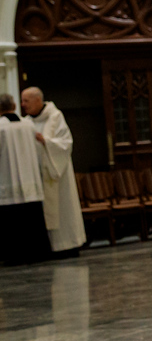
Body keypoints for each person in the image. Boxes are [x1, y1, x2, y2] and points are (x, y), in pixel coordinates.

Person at [21, 87, 86, 257]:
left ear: (38, 100)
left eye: (26, 101)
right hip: (38, 176)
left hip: (57, 174)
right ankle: (47, 247)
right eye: (22, 101)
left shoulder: (55, 117)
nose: (23, 105)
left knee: (61, 209)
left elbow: (66, 143)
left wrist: (46, 142)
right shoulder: (26, 122)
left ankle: (67, 245)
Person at [0, 93, 51, 265]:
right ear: (14, 106)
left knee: (11, 223)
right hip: (31, 181)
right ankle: (38, 253)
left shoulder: (1, 127)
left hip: (8, 181)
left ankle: (13, 256)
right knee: (33, 219)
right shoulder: (28, 125)